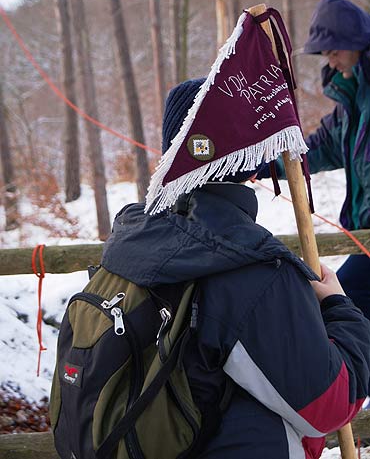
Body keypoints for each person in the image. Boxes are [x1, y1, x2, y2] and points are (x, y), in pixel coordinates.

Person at [101, 78, 370, 459]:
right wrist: (340, 309)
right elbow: (329, 404)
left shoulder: (129, 238)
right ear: (249, 159)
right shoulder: (251, 271)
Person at [260, 0, 370, 321]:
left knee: (346, 301)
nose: (331, 62)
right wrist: (263, 166)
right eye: (326, 55)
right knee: (343, 302)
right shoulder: (350, 107)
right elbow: (313, 151)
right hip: (365, 240)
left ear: (359, 44)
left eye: (335, 52)